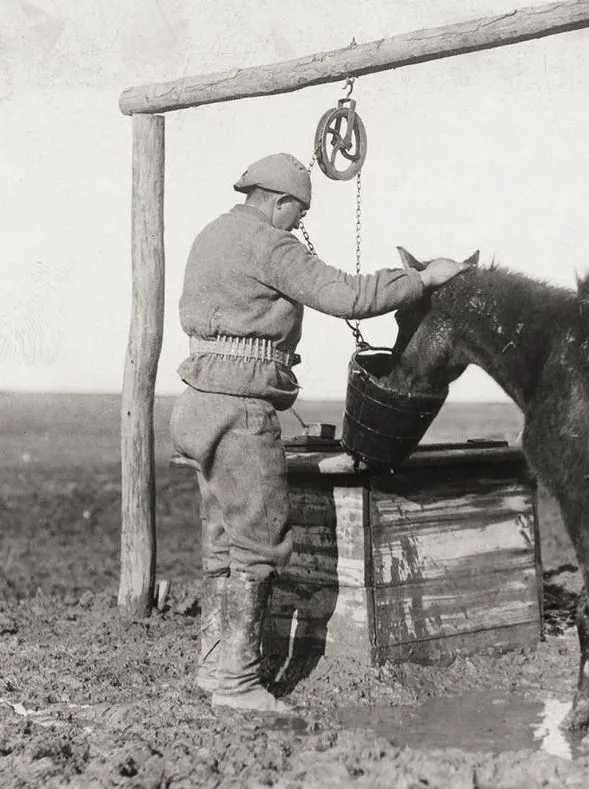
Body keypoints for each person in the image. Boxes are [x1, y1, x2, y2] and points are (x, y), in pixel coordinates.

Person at [169, 153, 468, 712]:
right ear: (279, 201)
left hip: (195, 404)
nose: (297, 225)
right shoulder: (269, 242)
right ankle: (237, 686)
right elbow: (347, 296)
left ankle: (214, 670)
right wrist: (422, 278)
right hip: (239, 409)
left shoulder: (212, 234)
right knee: (259, 544)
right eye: (298, 213)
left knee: (221, 540)